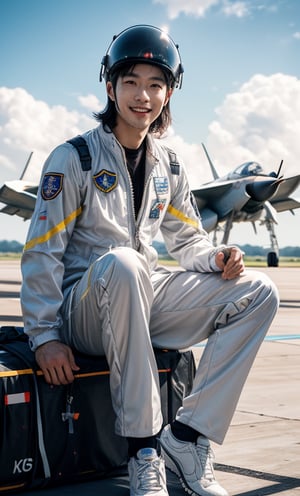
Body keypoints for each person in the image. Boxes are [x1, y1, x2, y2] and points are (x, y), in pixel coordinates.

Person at [21, 24, 279, 496]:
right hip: (85, 310)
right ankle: (144, 451)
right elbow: (42, 253)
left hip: (139, 293)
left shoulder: (170, 165)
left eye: (156, 84)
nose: (144, 95)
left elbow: (188, 242)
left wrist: (216, 256)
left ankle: (187, 437)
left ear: (170, 93)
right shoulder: (73, 158)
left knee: (259, 292)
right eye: (132, 82)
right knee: (124, 262)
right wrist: (44, 337)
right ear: (110, 86)